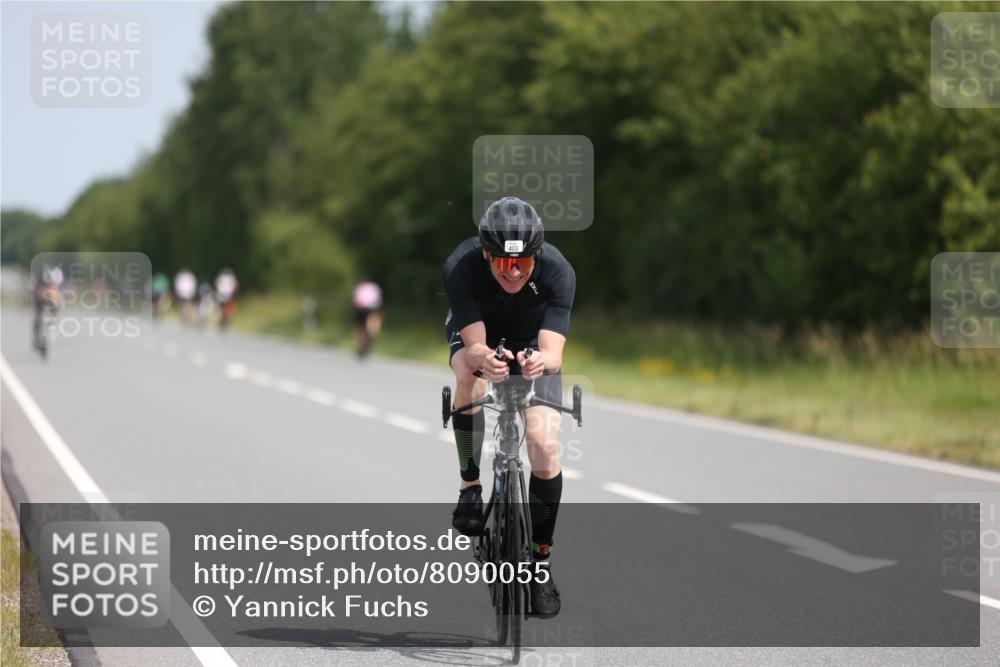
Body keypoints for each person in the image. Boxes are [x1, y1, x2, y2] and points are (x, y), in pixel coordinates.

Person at [442, 196, 575, 618]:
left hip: (533, 341)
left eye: (522, 264)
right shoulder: (462, 266)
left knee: (543, 444)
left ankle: (541, 565)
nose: (513, 272)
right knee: (465, 367)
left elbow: (554, 350)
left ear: (537, 256)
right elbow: (474, 342)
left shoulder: (558, 271)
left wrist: (542, 361)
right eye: (502, 263)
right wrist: (483, 358)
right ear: (487, 255)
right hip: (482, 336)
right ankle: (469, 488)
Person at [32, 265, 64, 353]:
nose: (48, 285)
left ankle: (48, 331)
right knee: (38, 317)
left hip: (51, 302)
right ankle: (36, 338)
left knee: (51, 319)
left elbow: (58, 299)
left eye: (49, 284)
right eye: (46, 284)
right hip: (39, 301)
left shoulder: (54, 286)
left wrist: (56, 305)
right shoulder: (39, 285)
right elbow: (37, 297)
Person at [352, 279, 383, 358]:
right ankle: (360, 345)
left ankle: (365, 345)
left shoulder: (372, 287)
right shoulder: (361, 287)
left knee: (371, 330)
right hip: (363, 310)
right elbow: (356, 300)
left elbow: (377, 300)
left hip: (370, 310)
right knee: (361, 328)